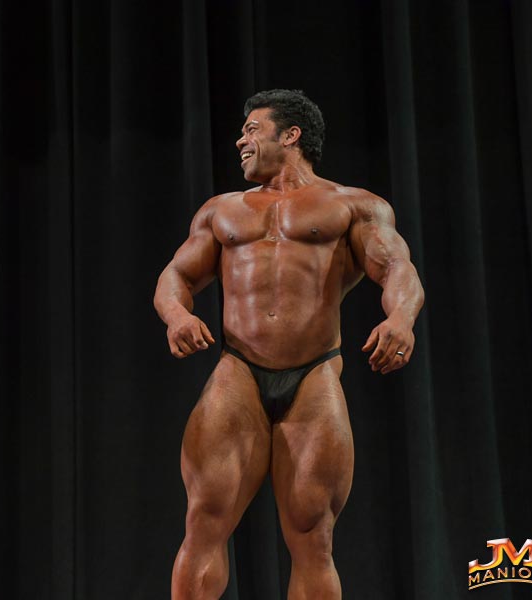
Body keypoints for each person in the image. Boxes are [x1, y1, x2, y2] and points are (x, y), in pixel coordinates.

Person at [154, 89, 424, 599]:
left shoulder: (353, 205)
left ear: (291, 135)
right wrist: (176, 315)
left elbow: (396, 268)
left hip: (314, 375)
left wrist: (402, 319)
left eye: (252, 130)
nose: (241, 141)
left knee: (313, 536)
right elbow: (176, 275)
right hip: (239, 370)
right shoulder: (221, 210)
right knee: (204, 521)